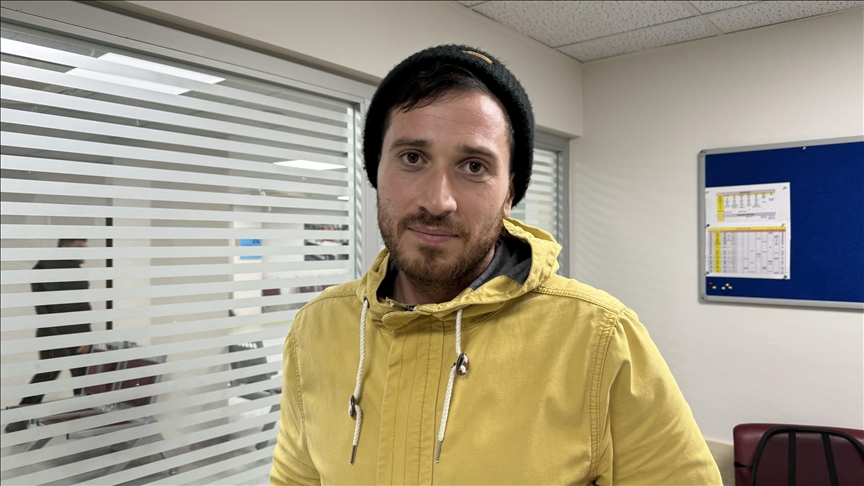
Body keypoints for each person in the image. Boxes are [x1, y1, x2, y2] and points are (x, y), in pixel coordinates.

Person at [271, 45, 722, 484]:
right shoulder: (317, 330)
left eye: (473, 166)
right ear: (376, 172)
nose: (438, 201)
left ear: (509, 194)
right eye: (412, 158)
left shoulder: (599, 338)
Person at [5, 239, 93, 434]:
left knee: (47, 376)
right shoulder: (69, 269)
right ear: (65, 247)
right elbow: (75, 307)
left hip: (51, 333)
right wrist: (83, 337)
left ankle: (18, 420)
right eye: (79, 246)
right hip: (71, 334)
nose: (84, 251)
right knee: (82, 379)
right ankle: (87, 422)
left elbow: (48, 307)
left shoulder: (43, 266)